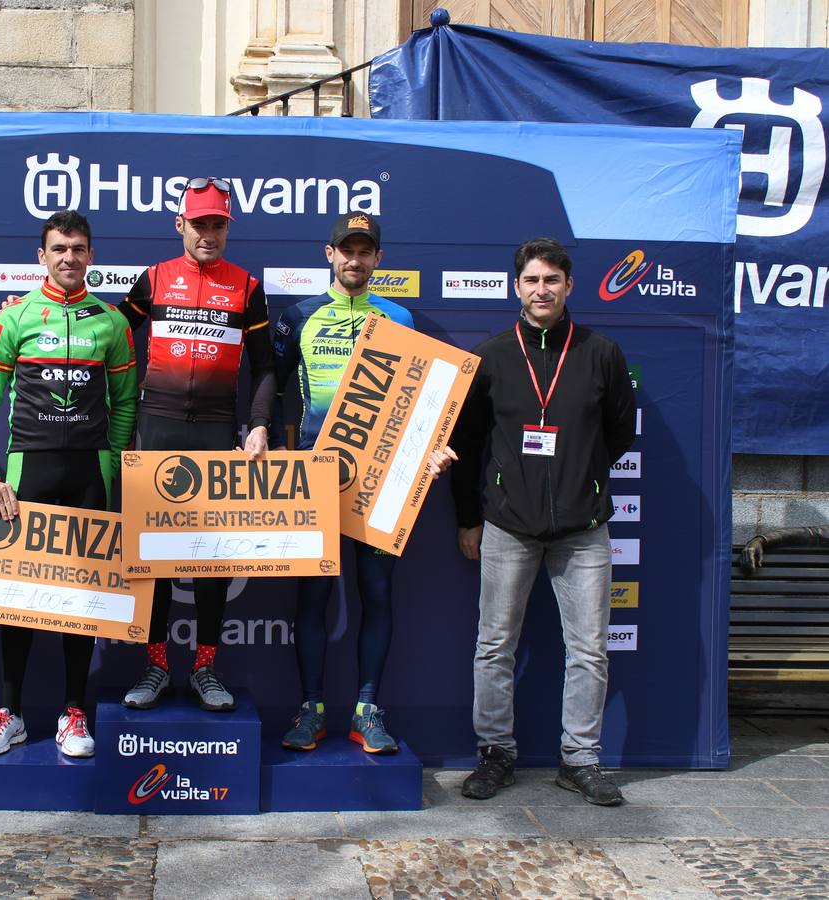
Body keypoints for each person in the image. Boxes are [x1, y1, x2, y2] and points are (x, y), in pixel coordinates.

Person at [448, 237, 637, 806]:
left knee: (589, 650)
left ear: (568, 286)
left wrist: (584, 480)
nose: (541, 290)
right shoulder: (493, 356)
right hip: (507, 526)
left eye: (551, 280)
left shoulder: (602, 353)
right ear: (517, 287)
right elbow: (468, 441)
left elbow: (619, 432)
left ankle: (580, 759)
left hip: (584, 531)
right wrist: (469, 519)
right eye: (531, 280)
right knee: (494, 645)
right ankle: (495, 754)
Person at [272, 212, 455, 754]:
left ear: (378, 258)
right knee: (314, 594)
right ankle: (311, 708)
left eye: (365, 251)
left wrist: (431, 448)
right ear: (328, 255)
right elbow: (270, 386)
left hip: (381, 479)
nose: (355, 260)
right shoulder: (299, 316)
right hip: (314, 477)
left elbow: (424, 395)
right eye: (346, 250)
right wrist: (277, 445)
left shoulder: (399, 317)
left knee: (377, 592)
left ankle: (368, 709)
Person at [0, 210, 138, 758]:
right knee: (14, 598)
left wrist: (109, 465)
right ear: (41, 256)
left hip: (89, 475)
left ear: (92, 256)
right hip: (27, 473)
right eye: (59, 248)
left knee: (80, 599)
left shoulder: (111, 322)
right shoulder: (14, 317)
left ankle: (74, 713)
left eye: (79, 248)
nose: (69, 257)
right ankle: (10, 713)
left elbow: (126, 403)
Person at [119, 176, 276, 713]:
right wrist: (29, 307)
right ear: (180, 224)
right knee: (155, 556)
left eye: (218, 224)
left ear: (226, 228)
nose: (208, 233)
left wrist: (258, 425)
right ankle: (157, 665)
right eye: (199, 223)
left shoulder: (247, 285)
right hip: (158, 424)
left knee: (212, 558)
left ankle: (206, 666)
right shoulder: (155, 278)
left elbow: (266, 366)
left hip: (215, 428)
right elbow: (105, 334)